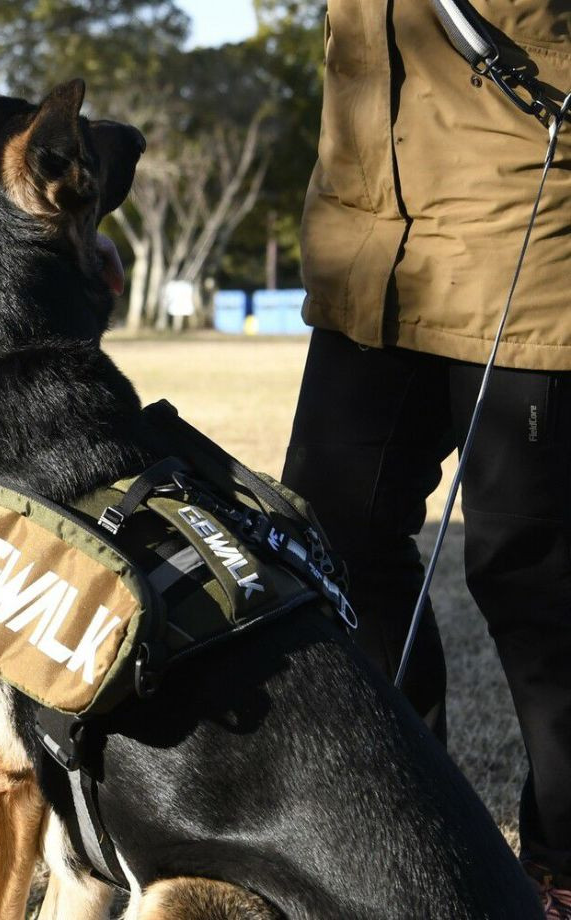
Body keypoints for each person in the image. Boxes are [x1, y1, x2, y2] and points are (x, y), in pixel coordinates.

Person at [281, 2, 571, 915]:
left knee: (534, 571)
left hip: (526, 223)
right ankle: (407, 833)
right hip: (367, 237)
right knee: (328, 539)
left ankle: (563, 864)